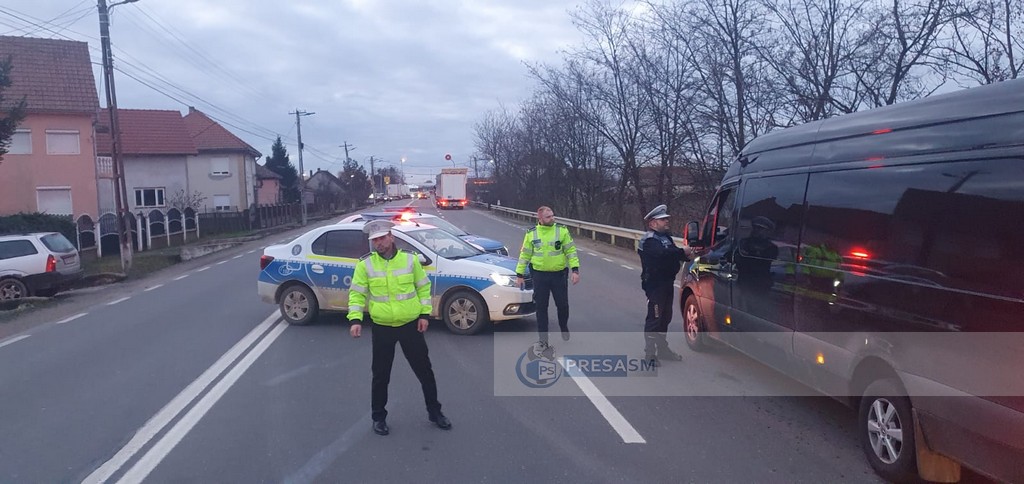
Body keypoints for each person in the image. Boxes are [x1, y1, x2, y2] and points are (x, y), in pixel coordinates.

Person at [348, 220, 451, 436]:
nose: (379, 244)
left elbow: (423, 288)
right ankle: (378, 418)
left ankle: (435, 412)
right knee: (380, 375)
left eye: (382, 238)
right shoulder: (365, 264)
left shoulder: (410, 260)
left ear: (391, 237)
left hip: (410, 325)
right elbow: (357, 294)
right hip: (382, 327)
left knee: (425, 371)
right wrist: (355, 320)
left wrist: (425, 314)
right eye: (374, 240)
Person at [515, 206, 580, 350]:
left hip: (559, 275)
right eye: (548, 217)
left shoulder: (561, 230)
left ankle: (563, 325)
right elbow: (525, 254)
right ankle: (543, 340)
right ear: (540, 219)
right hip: (539, 276)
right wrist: (519, 274)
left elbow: (571, 251)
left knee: (562, 305)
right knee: (541, 308)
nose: (552, 218)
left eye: (552, 215)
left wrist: (575, 270)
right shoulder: (531, 233)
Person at [637, 204, 689, 364]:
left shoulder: (665, 237)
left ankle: (663, 350)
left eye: (666, 219)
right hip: (655, 285)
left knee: (665, 317)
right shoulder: (649, 240)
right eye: (663, 219)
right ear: (653, 223)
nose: (667, 221)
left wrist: (689, 255)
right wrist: (682, 252)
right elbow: (662, 254)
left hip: (667, 283)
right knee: (655, 317)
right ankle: (650, 354)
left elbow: (672, 254)